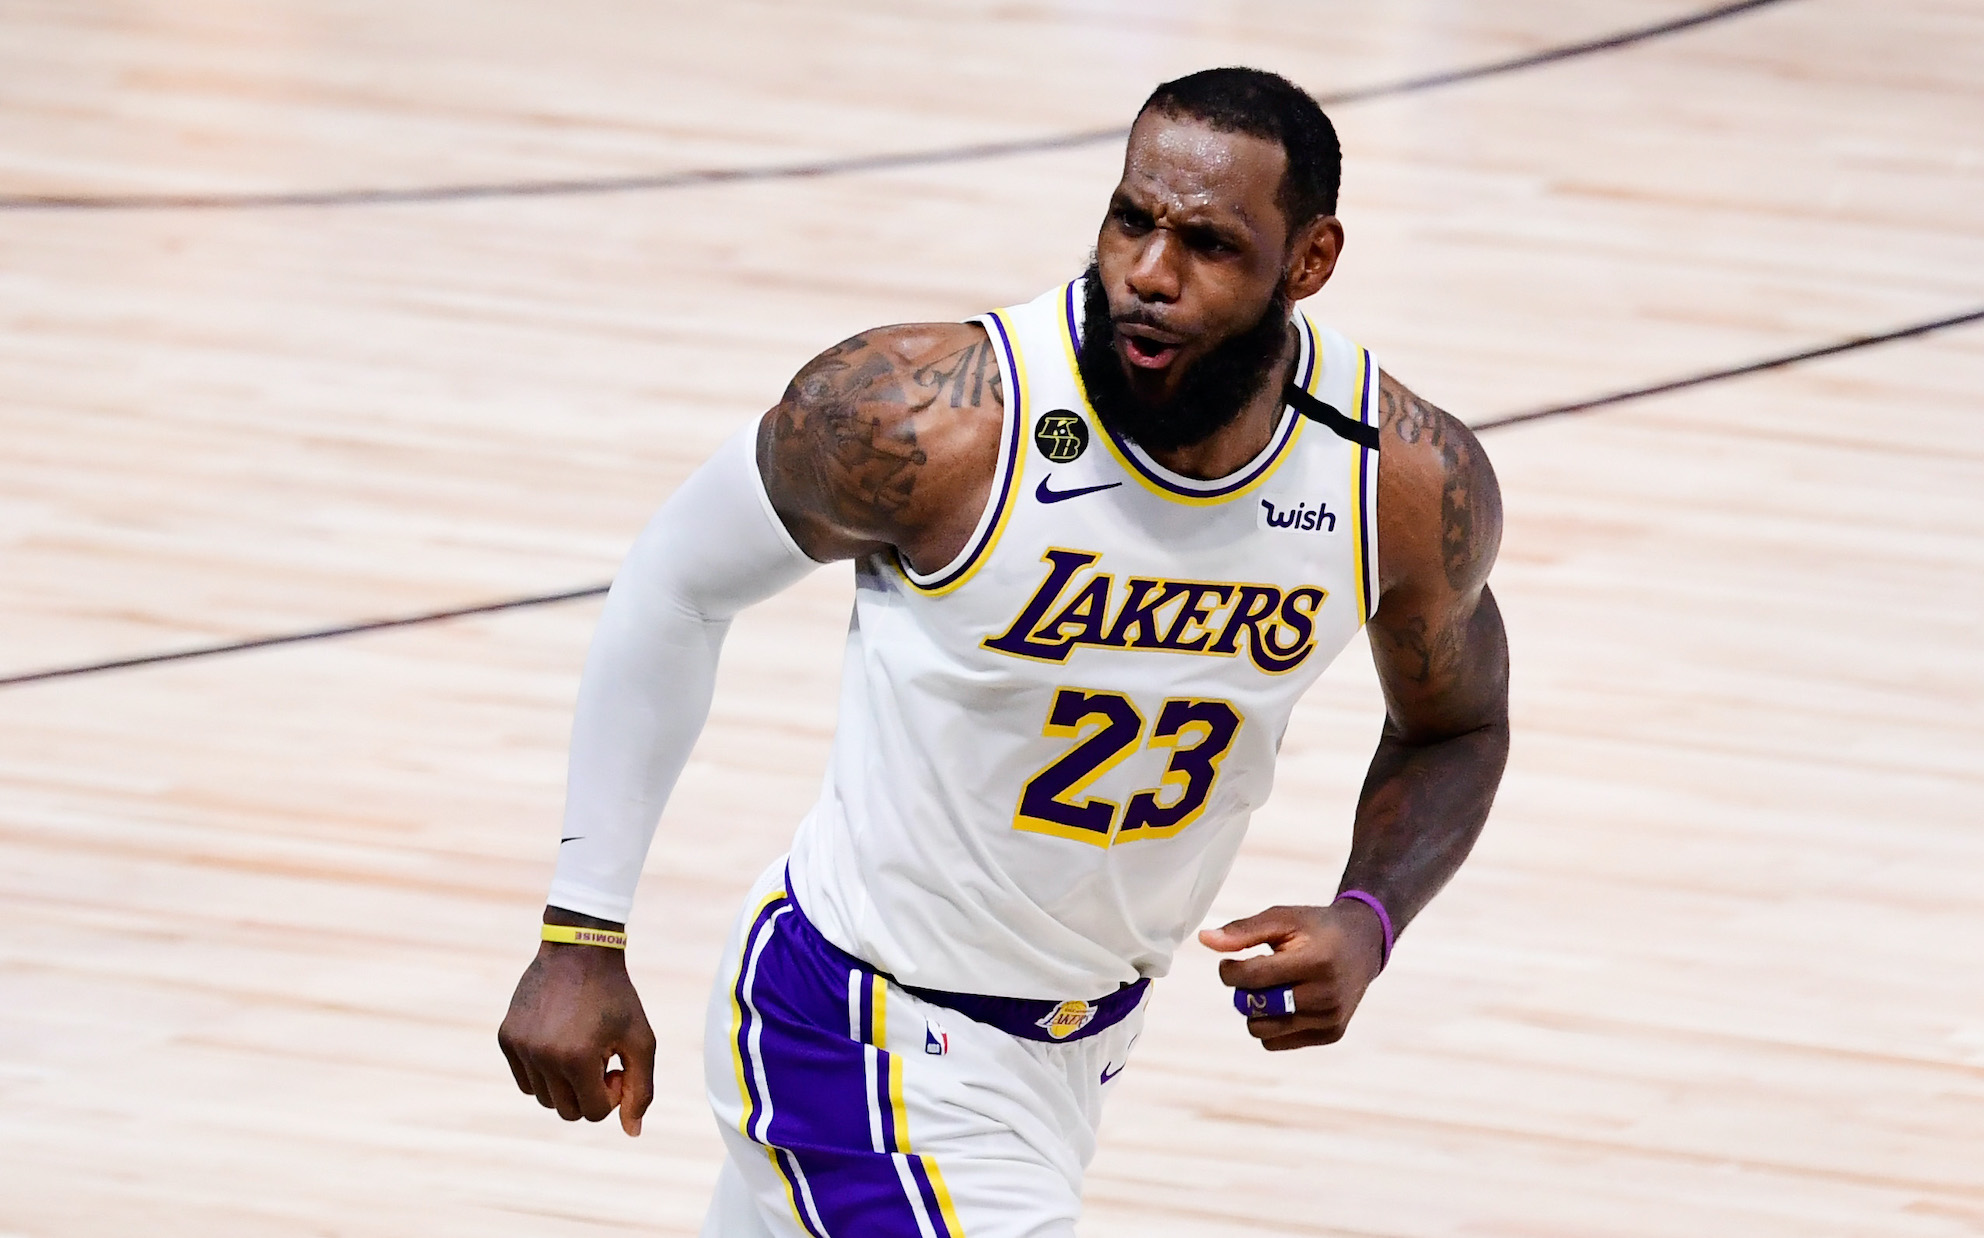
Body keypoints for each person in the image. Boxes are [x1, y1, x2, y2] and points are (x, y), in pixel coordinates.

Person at [498, 66, 1508, 1238]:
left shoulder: (1397, 479)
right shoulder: (931, 420)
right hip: (858, 1029)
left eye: (1208, 244)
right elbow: (674, 585)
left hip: (1074, 1048)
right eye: (1131, 217)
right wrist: (580, 929)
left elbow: (1456, 723)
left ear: (1309, 259)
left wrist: (1369, 912)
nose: (1148, 273)